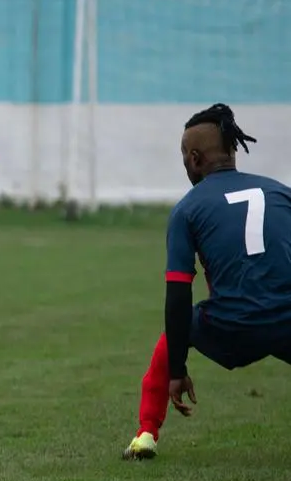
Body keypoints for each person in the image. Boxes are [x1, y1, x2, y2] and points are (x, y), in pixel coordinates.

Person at [123, 103, 291, 460]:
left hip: (229, 325)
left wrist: (178, 368)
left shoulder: (187, 209)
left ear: (195, 158)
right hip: (284, 320)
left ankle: (146, 434)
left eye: (184, 156)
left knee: (168, 342)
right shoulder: (281, 193)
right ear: (233, 150)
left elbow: (178, 295)